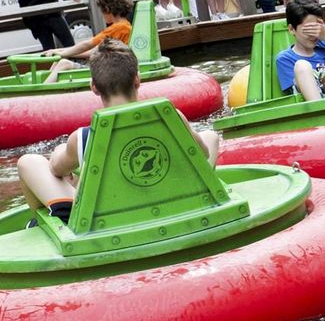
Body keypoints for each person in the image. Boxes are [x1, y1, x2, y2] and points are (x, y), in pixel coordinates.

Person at [17, 38, 219, 226]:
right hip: (168, 202)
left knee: (28, 161)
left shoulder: (82, 137)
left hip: (105, 220)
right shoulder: (174, 118)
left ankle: (44, 226)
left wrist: (66, 153)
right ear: (137, 80)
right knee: (210, 137)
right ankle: (196, 200)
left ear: (94, 87)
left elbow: (56, 170)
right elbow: (203, 154)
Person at [41, 0, 133, 84]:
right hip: (108, 67)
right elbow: (91, 52)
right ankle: (42, 86)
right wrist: (59, 51)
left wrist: (64, 53)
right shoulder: (122, 26)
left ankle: (41, 93)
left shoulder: (119, 28)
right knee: (62, 59)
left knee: (64, 63)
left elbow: (88, 44)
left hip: (110, 70)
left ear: (107, 9)